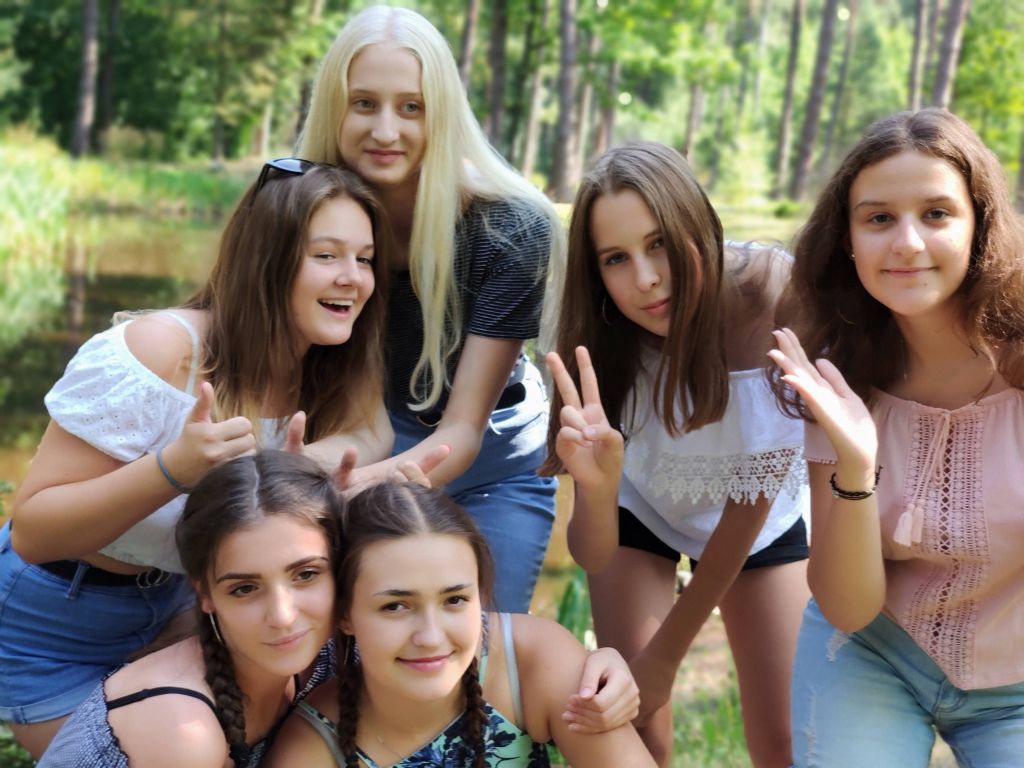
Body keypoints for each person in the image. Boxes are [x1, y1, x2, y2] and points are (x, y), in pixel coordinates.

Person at [0, 160, 390, 758]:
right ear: (266, 260)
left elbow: (373, 431)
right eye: (326, 255)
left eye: (364, 259)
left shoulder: (326, 363)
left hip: (183, 610)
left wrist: (299, 467)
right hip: (53, 627)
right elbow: (33, 532)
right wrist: (170, 471)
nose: (352, 278)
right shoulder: (160, 351)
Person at [768, 108, 1024, 767]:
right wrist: (855, 470)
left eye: (937, 214)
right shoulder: (836, 372)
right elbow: (848, 608)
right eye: (879, 218)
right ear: (848, 240)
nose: (907, 242)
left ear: (980, 225)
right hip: (872, 652)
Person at [544, 142, 810, 767]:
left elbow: (750, 501)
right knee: (637, 733)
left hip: (757, 518)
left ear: (697, 224)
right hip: (644, 502)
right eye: (616, 258)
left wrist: (664, 660)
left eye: (659, 243)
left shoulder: (772, 293)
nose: (645, 279)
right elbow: (594, 553)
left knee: (785, 739)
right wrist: (598, 488)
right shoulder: (595, 336)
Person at [297, 5, 565, 613]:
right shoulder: (296, 207)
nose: (385, 130)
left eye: (411, 107)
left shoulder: (510, 229)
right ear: (334, 107)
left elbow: (461, 433)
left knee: (478, 642)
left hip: (491, 458)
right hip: (363, 435)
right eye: (364, 103)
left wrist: (336, 491)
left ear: (440, 112)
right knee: (343, 636)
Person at [264, 480, 656, 768]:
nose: (431, 637)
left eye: (454, 600)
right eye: (395, 606)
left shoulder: (531, 660)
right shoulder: (312, 746)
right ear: (345, 614)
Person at [38, 450, 342, 767]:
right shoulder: (182, 733)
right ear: (205, 592)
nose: (282, 616)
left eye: (306, 575)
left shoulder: (325, 658)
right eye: (244, 589)